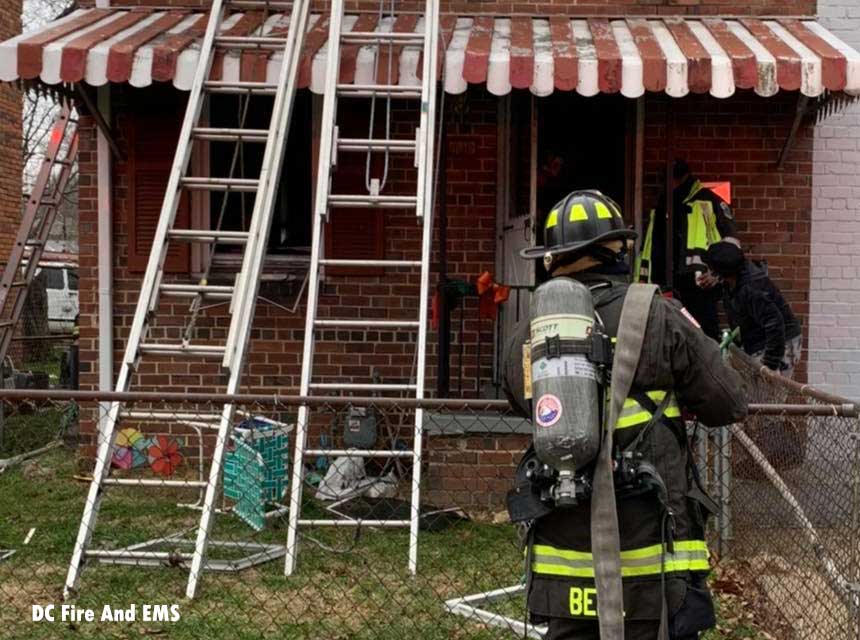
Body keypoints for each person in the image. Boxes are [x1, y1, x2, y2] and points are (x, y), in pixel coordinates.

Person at [504, 190, 747, 640]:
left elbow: (520, 400)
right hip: (652, 565)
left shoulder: (527, 334)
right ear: (618, 250)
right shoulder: (659, 314)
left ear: (552, 260)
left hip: (564, 568)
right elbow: (729, 402)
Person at [636, 160, 740, 341]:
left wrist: (717, 274)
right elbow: (651, 247)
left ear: (679, 179)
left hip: (699, 286)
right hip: (664, 286)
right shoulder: (662, 205)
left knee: (704, 340)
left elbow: (732, 244)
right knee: (669, 340)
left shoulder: (708, 201)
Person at [704, 242, 802, 378]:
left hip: (780, 342)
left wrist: (770, 364)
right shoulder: (733, 277)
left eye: (710, 268)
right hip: (760, 339)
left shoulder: (751, 288)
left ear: (720, 271)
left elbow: (774, 322)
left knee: (767, 393)